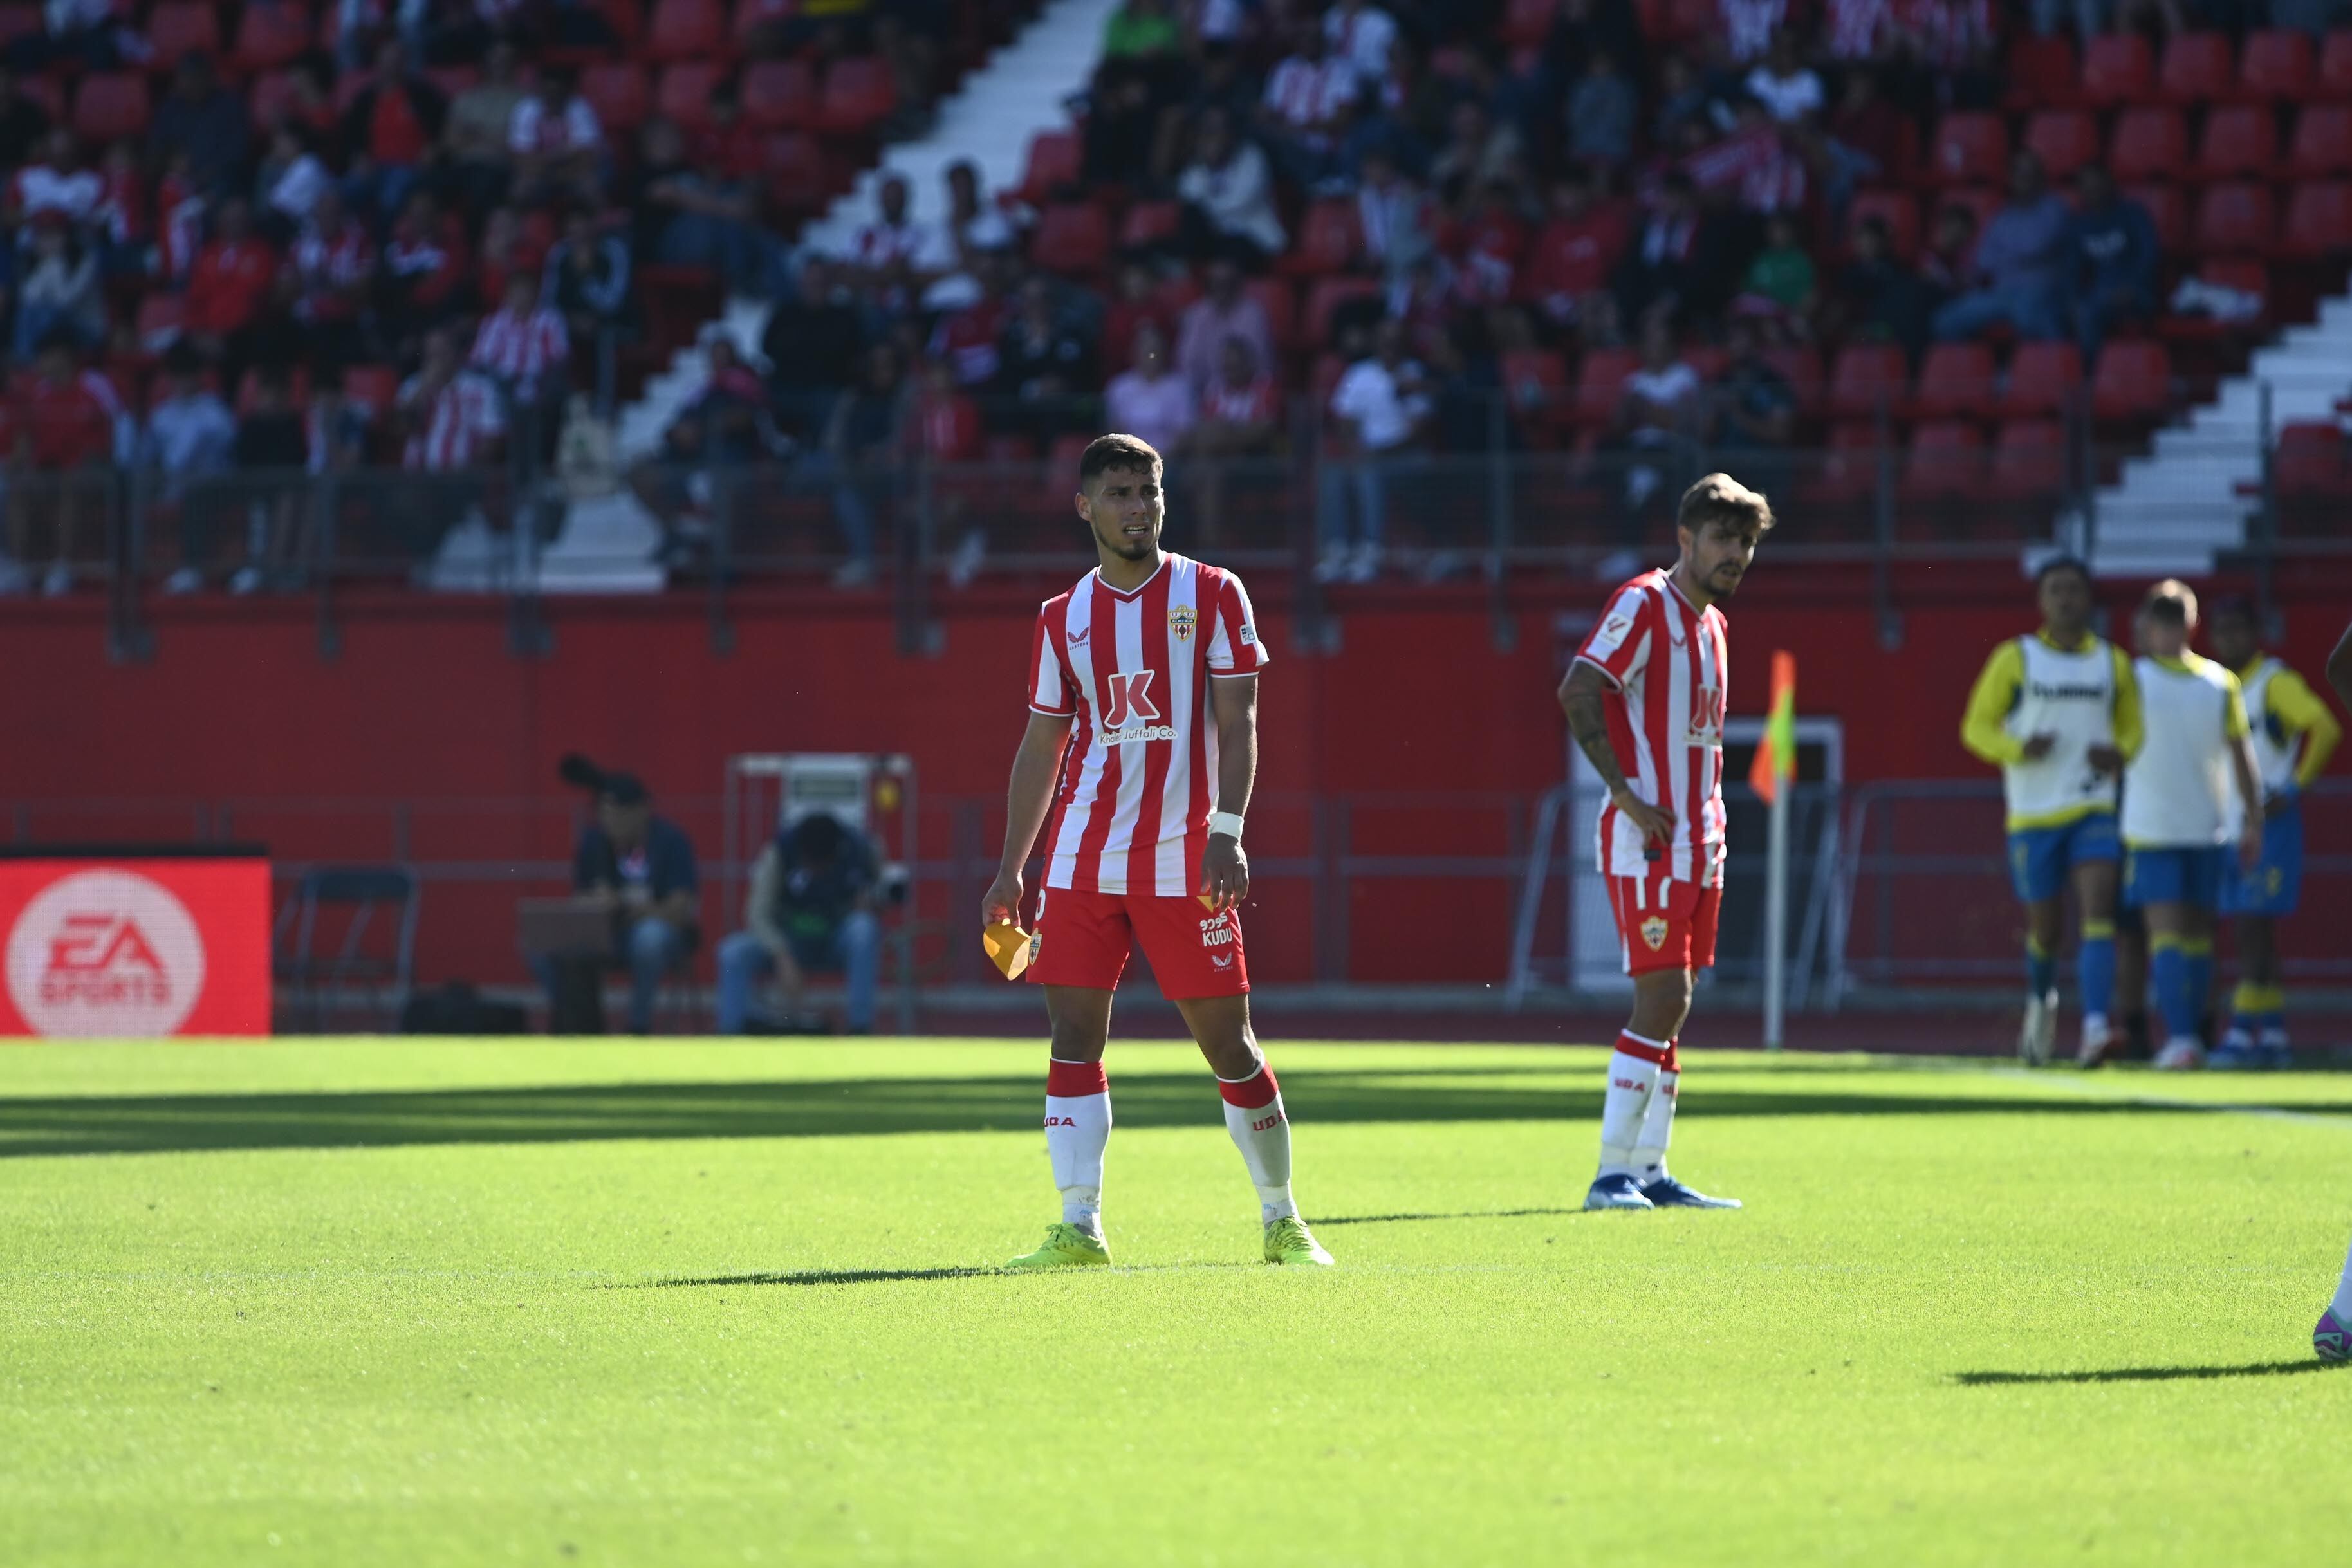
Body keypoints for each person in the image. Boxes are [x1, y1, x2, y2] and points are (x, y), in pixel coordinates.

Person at [982, 433, 1332, 1271]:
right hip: (1081, 857)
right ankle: (1078, 1225)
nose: (1137, 507)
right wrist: (1010, 870)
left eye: (1147, 491)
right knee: (1072, 1036)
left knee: (1228, 1043)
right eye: (1119, 493)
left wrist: (1226, 831)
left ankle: (1282, 1219)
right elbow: (1042, 745)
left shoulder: (1212, 593)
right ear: (1085, 507)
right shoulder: (1060, 617)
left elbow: (1237, 722)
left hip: (1185, 857)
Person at [1557, 474, 1773, 1212]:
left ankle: (1650, 1168)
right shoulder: (1645, 603)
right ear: (1685, 539)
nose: (1735, 553)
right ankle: (1609, 1172)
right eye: (1722, 538)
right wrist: (1623, 793)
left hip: (1701, 839)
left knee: (1677, 1005)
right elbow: (1578, 687)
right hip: (1650, 839)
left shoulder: (1712, 624)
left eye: (1745, 541)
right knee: (1662, 995)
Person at [1959, 556, 2142, 1066]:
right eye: (2055, 589)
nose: (2065, 598)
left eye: (2074, 589)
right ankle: (2041, 1004)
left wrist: (2121, 753)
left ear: (2088, 599)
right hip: (2033, 815)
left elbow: (2133, 727)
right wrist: (2017, 747)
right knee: (2046, 930)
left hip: (2092, 806)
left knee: (2099, 911)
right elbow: (1975, 726)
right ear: (2041, 601)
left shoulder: (2112, 663)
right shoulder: (2014, 658)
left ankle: (2094, 1027)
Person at [2121, 581, 2264, 1071]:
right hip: (2208, 826)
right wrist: (2253, 820)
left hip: (2151, 828)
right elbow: (2243, 758)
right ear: (2193, 623)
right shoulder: (2222, 681)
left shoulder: (2132, 678)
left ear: (2148, 624)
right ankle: (2197, 1035)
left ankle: (2181, 1037)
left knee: (2166, 935)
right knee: (2201, 936)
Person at [2205, 599, 2339, 1069]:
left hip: (2269, 820)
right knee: (2252, 929)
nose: (2228, 639)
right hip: (2229, 822)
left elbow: (2323, 727)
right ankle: (2275, 1032)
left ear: (2255, 632)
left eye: (2237, 629)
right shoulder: (2216, 685)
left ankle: (2243, 1031)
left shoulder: (2273, 681)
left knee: (2251, 926)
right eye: (2220, 630)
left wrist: (2294, 786)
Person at [553, 763, 701, 1035]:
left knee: (650, 938)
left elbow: (681, 908)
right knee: (544, 943)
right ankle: (577, 1027)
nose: (610, 821)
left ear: (642, 810)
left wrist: (627, 906)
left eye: (618, 813)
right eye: (605, 813)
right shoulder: (594, 842)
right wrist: (596, 902)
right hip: (605, 932)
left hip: (656, 935)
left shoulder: (671, 841)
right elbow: (580, 898)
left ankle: (637, 1025)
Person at [716, 812, 882, 1035]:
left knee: (864, 928)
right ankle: (731, 1034)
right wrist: (782, 955)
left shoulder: (860, 850)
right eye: (812, 864)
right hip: (789, 941)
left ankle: (860, 1028)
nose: (817, 872)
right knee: (732, 952)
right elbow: (757, 914)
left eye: (823, 865)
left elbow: (885, 893)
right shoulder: (779, 852)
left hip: (836, 941)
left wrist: (870, 901)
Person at [1319, 317, 1431, 584]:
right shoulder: (1359, 374)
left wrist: (1375, 455)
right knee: (1332, 473)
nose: (1390, 344)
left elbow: (1418, 430)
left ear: (1404, 343)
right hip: (1366, 455)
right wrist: (1356, 450)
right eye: (1385, 339)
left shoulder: (1415, 374)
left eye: (1396, 339)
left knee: (1369, 472)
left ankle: (1372, 552)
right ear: (1377, 342)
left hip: (1405, 458)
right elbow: (1345, 421)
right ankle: (1337, 551)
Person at [1932, 152, 2069, 343]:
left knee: (2028, 315)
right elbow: (1985, 259)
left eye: (2029, 173)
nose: (2024, 179)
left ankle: (2052, 366)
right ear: (2010, 178)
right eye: (2018, 173)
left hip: (2041, 288)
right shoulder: (2002, 217)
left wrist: (2006, 254)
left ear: (2040, 177)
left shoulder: (2054, 207)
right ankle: (1980, 368)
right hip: (2001, 291)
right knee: (1946, 321)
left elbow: (2037, 246)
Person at [2061, 164, 2159, 366]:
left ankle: (2090, 377)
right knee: (2059, 313)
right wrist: (2073, 300)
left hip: (2137, 293)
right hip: (2098, 297)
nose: (2093, 191)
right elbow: (2071, 271)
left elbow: (2149, 257)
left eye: (2097, 185)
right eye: (2087, 187)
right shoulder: (2079, 226)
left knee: (2088, 313)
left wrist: (2132, 287)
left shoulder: (2134, 215)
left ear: (2110, 184)